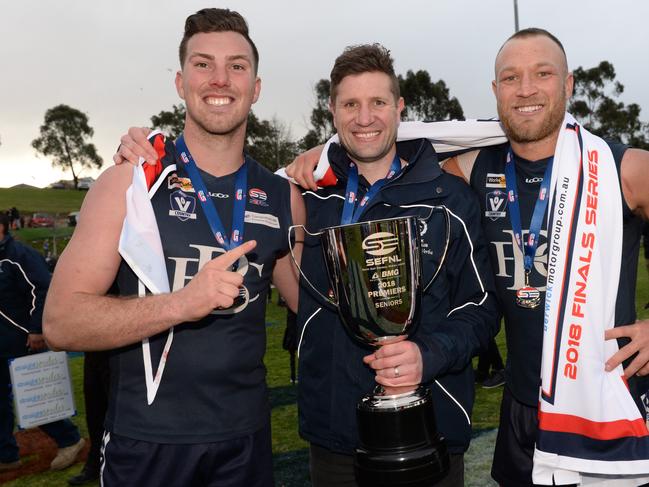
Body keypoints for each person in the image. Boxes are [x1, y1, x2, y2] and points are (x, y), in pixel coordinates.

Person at [113, 43, 499, 486]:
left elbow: (482, 310)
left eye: (377, 102)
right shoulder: (302, 199)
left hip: (429, 426)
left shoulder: (449, 200)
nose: (365, 117)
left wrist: (427, 355)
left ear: (400, 108)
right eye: (350, 104)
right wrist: (137, 152)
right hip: (335, 438)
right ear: (333, 112)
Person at [285, 28, 649, 486]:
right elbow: (390, 153)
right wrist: (330, 150)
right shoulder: (476, 167)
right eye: (511, 77)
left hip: (603, 400)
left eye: (543, 74)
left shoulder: (623, 167)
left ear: (570, 84)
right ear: (496, 91)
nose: (527, 89)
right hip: (522, 407)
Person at [43, 8, 304, 487]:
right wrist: (183, 304)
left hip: (245, 441)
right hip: (144, 445)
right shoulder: (131, 181)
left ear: (257, 87)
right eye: (204, 65)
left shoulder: (282, 195)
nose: (220, 79)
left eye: (237, 66)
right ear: (181, 83)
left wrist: (326, 160)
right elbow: (61, 322)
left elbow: (310, 304)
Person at [0, 213, 85, 472]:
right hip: (1, 341)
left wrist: (36, 330)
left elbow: (44, 288)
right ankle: (6, 455)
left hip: (25, 339)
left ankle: (70, 440)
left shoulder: (18, 255)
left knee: (36, 397)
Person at [67, 350, 110, 485]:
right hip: (93, 351)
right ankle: (95, 462)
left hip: (121, 353)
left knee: (120, 410)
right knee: (94, 411)